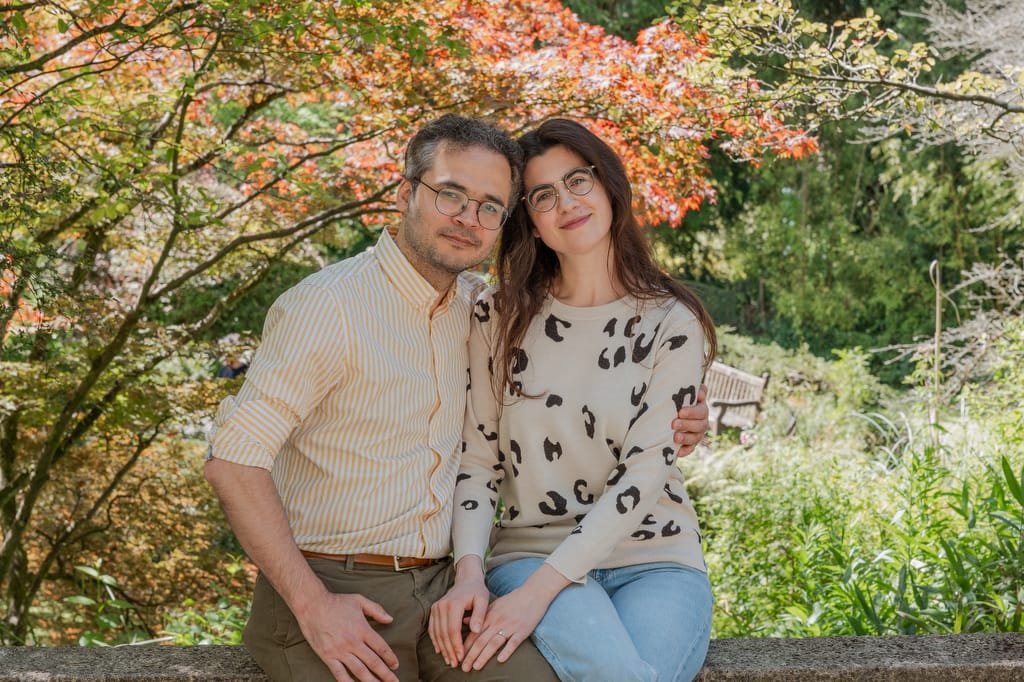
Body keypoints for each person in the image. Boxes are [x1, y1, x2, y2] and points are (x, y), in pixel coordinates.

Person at [204, 114, 710, 682]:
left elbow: (590, 398)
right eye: (450, 195)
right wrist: (313, 605)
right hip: (337, 585)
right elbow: (233, 462)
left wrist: (680, 419)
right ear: (405, 193)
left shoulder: (479, 306)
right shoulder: (332, 306)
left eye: (489, 206)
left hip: (444, 591)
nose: (468, 218)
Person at [430, 118, 715, 682]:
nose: (566, 203)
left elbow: (645, 472)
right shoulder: (497, 318)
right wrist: (469, 573)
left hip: (655, 560)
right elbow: (478, 461)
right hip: (529, 553)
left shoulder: (672, 322)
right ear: (530, 224)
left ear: (608, 186)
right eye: (543, 196)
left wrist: (537, 598)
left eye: (578, 181)